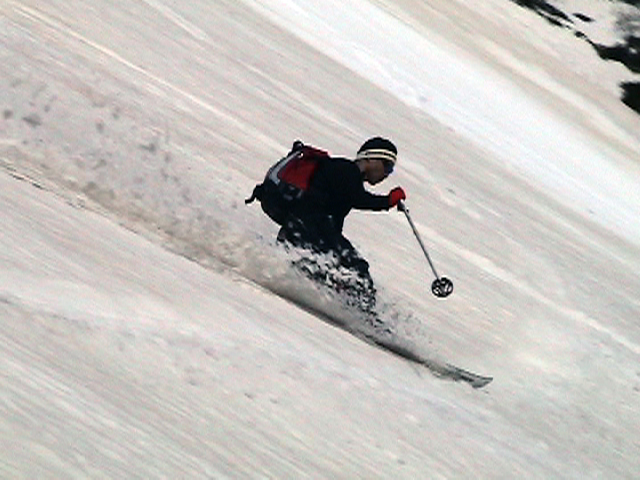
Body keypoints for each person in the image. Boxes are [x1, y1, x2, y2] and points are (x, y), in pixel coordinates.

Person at [277, 136, 406, 314]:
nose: (387, 174)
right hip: (309, 227)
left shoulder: (345, 176)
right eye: (387, 166)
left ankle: (349, 305)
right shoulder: (346, 170)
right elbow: (359, 199)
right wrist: (388, 201)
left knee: (330, 266)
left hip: (301, 229)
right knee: (356, 267)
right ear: (371, 159)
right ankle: (362, 313)